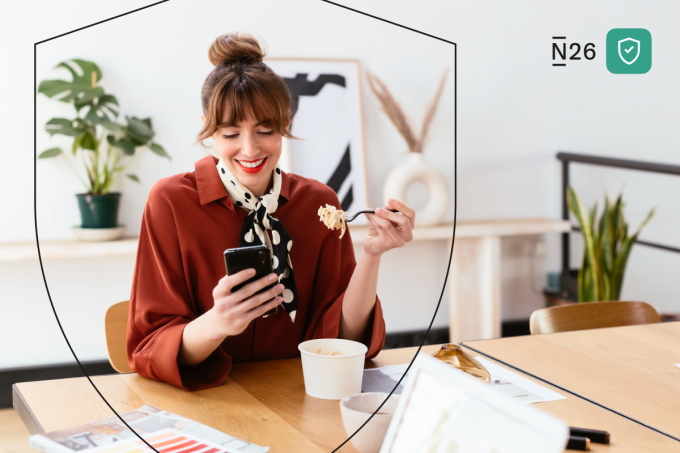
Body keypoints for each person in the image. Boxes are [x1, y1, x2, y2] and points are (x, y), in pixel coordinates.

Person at [126, 32, 415, 391]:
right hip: (210, 401)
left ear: (286, 124)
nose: (249, 150)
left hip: (300, 396)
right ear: (209, 131)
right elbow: (150, 347)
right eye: (230, 134)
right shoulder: (170, 201)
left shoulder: (319, 203)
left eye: (265, 130)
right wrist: (218, 322)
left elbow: (344, 338)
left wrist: (372, 256)